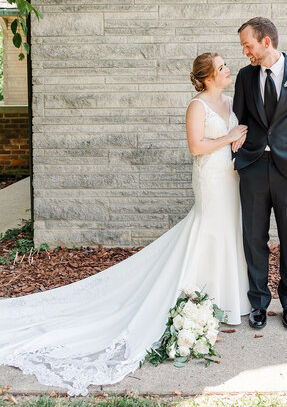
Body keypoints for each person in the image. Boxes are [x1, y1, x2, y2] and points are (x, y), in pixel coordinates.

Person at [0, 52, 250, 397]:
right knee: (207, 231)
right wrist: (229, 136)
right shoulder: (197, 106)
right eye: (222, 67)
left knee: (227, 233)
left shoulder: (229, 101)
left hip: (230, 178)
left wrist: (239, 138)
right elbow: (196, 147)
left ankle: (224, 300)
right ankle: (193, 297)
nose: (228, 70)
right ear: (207, 77)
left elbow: (236, 132)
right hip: (209, 179)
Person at [233, 17, 287, 331]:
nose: (245, 52)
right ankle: (258, 302)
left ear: (265, 42)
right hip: (254, 168)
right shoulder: (245, 77)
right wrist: (236, 154)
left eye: (248, 45)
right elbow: (239, 120)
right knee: (254, 238)